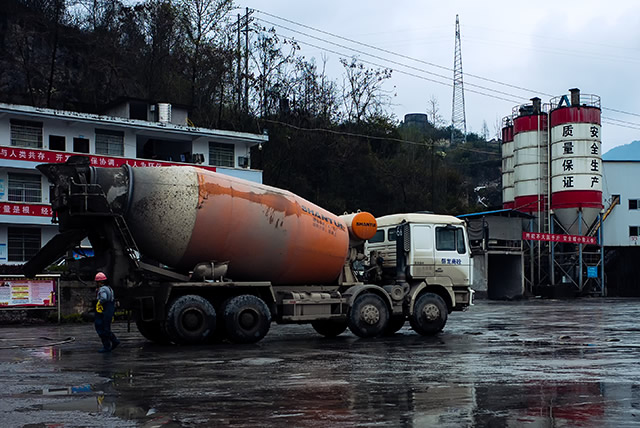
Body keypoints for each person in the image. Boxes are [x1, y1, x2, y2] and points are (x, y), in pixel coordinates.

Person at [94, 272, 120, 353]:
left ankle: (108, 345)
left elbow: (104, 298)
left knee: (101, 328)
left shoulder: (102, 289)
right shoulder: (109, 288)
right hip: (109, 309)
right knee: (106, 328)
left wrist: (99, 302)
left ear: (100, 282)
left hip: (103, 310)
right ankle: (113, 342)